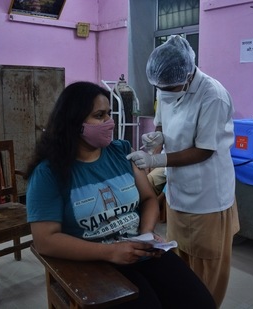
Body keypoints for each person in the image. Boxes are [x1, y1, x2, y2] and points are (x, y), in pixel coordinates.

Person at [23, 81, 216, 309]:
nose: (109, 122)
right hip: (93, 258)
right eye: (100, 115)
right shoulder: (49, 173)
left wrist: (145, 235)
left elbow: (148, 199)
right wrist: (109, 251)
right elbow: (45, 240)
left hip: (138, 250)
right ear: (74, 122)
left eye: (110, 114)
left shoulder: (120, 152)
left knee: (200, 303)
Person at [126, 35, 240, 308]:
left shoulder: (213, 95)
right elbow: (162, 126)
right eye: (160, 88)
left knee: (206, 270)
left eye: (172, 86)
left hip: (208, 196)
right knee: (179, 261)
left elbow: (204, 150)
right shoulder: (166, 85)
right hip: (179, 191)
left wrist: (156, 161)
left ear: (188, 75)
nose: (165, 92)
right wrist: (157, 139)